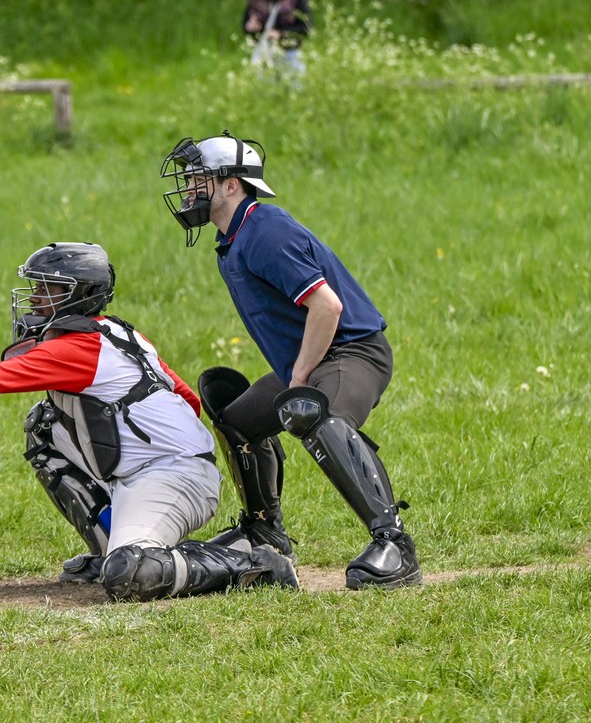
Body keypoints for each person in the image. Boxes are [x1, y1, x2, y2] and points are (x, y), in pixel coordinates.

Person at [0, 242, 297, 601]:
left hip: (172, 476)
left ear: (77, 296)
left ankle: (255, 564)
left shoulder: (74, 349)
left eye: (47, 290)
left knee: (131, 575)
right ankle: (119, 544)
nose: (34, 300)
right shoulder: (119, 332)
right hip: (160, 469)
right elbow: (185, 398)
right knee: (46, 425)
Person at [159, 133, 422, 589]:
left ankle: (394, 545)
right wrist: (296, 377)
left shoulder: (265, 230)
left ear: (230, 185)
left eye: (198, 178)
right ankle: (263, 530)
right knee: (235, 419)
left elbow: (328, 307)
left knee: (317, 414)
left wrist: (298, 378)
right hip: (318, 358)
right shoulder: (234, 237)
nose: (188, 189)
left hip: (353, 352)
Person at [243, 0, 311, 76]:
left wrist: (280, 34)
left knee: (293, 90)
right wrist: (250, 27)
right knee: (264, 92)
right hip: (264, 51)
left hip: (289, 52)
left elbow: (306, 27)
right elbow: (245, 23)